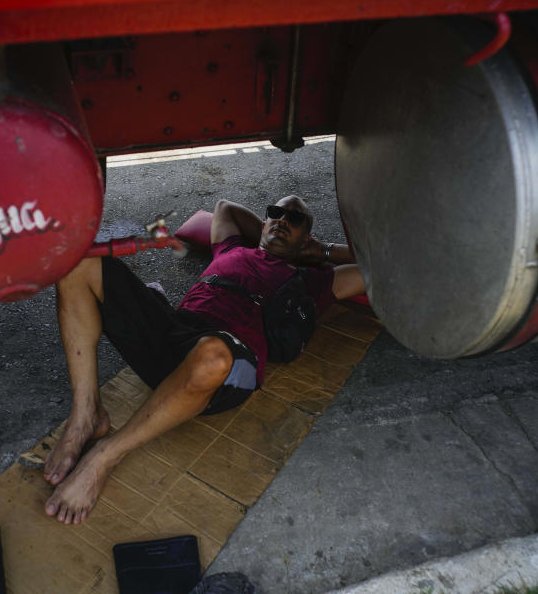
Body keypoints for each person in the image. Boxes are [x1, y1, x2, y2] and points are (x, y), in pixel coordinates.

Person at [43, 195, 365, 524]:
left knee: (212, 354)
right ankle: (86, 415)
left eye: (295, 219)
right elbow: (225, 207)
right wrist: (274, 230)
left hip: (225, 365)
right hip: (174, 336)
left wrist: (319, 251)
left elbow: (369, 270)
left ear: (306, 237)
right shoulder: (231, 248)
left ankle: (103, 457)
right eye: (276, 213)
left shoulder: (308, 283)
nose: (283, 220)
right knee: (80, 260)